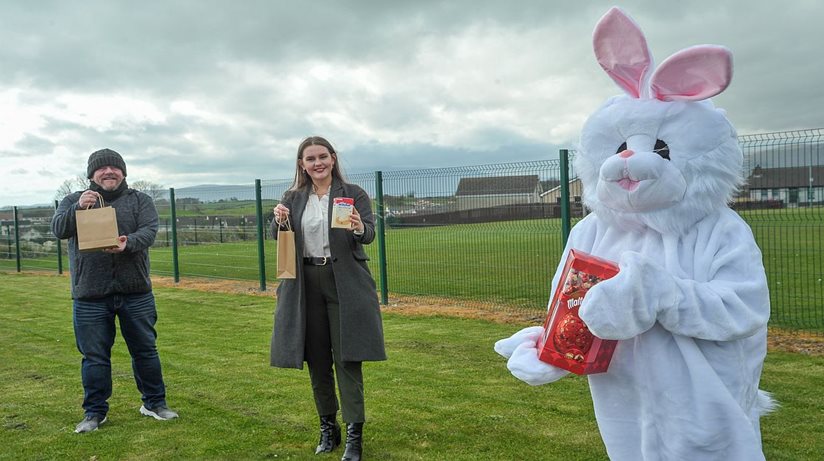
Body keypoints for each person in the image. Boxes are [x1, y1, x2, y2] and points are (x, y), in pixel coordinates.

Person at [271, 136, 386, 461]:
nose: (317, 163)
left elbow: (369, 235)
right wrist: (278, 220)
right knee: (317, 358)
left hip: (345, 283)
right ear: (302, 165)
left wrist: (359, 226)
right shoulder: (293, 197)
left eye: (323, 156)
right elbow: (279, 238)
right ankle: (327, 427)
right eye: (311, 159)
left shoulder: (354, 194)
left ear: (333, 159)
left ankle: (354, 435)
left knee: (348, 359)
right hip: (304, 284)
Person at [52, 148, 179, 433]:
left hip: (136, 292)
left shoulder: (140, 200)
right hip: (90, 296)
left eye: (115, 167)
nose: (109, 172)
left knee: (146, 351)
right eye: (102, 168)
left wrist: (128, 242)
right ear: (91, 174)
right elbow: (59, 229)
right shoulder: (73, 200)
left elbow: (149, 231)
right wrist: (77, 209)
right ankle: (94, 413)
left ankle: (154, 404)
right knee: (94, 357)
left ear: (123, 172)